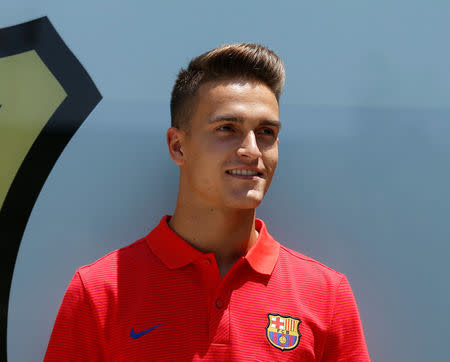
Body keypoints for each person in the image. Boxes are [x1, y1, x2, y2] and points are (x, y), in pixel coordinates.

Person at [45, 43, 370, 361]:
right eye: (227, 128)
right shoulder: (100, 291)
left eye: (266, 132)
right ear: (178, 147)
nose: (252, 150)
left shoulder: (326, 295)